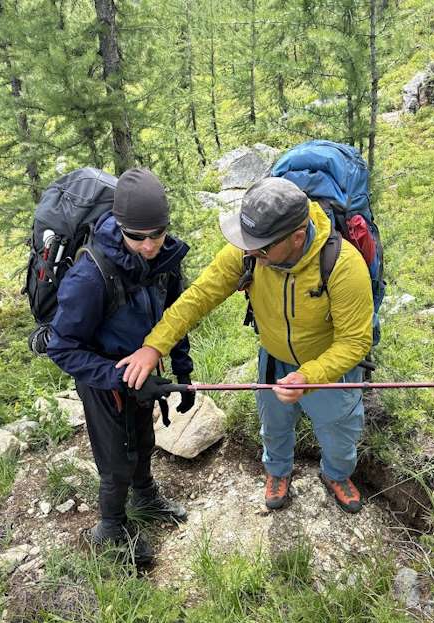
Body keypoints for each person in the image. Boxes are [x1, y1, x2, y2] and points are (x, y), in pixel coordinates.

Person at [116, 177, 374, 514]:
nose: (250, 251)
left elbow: (355, 341)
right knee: (275, 427)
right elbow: (199, 297)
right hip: (273, 360)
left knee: (339, 434)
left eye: (262, 247)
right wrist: (154, 346)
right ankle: (278, 472)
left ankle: (337, 474)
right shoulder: (251, 249)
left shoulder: (342, 266)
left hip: (329, 370)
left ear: (297, 237)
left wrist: (309, 375)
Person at [47, 167, 195, 560]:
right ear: (120, 226)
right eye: (137, 236)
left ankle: (145, 497)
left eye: (157, 234)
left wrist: (183, 371)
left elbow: (174, 317)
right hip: (102, 379)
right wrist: (119, 377)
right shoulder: (90, 275)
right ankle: (110, 528)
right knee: (115, 460)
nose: (149, 246)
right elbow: (62, 347)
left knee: (143, 439)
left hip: (143, 373)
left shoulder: (165, 259)